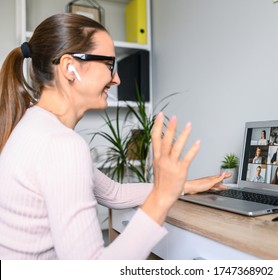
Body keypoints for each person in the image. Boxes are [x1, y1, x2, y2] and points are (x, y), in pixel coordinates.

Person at [0, 13, 229, 260]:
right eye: (110, 64)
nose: (117, 79)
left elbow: (114, 194)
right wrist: (161, 198)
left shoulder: (34, 125)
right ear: (70, 68)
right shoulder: (60, 144)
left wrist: (183, 186)